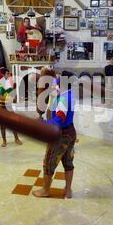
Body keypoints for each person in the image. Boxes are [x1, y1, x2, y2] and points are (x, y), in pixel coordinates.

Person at [33, 71, 76, 199]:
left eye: (58, 78)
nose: (55, 80)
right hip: (71, 133)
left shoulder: (63, 100)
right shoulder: (70, 93)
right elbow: (54, 84)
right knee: (68, 162)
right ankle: (68, 191)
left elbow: (58, 121)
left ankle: (45, 190)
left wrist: (43, 123)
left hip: (60, 135)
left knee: (49, 161)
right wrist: (44, 74)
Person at [0, 67, 22, 147]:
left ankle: (16, 138)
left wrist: (14, 97)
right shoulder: (0, 85)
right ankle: (4, 141)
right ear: (3, 75)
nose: (9, 75)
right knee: (2, 125)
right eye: (7, 74)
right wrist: (10, 99)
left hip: (9, 107)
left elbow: (13, 97)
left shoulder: (8, 84)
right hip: (2, 107)